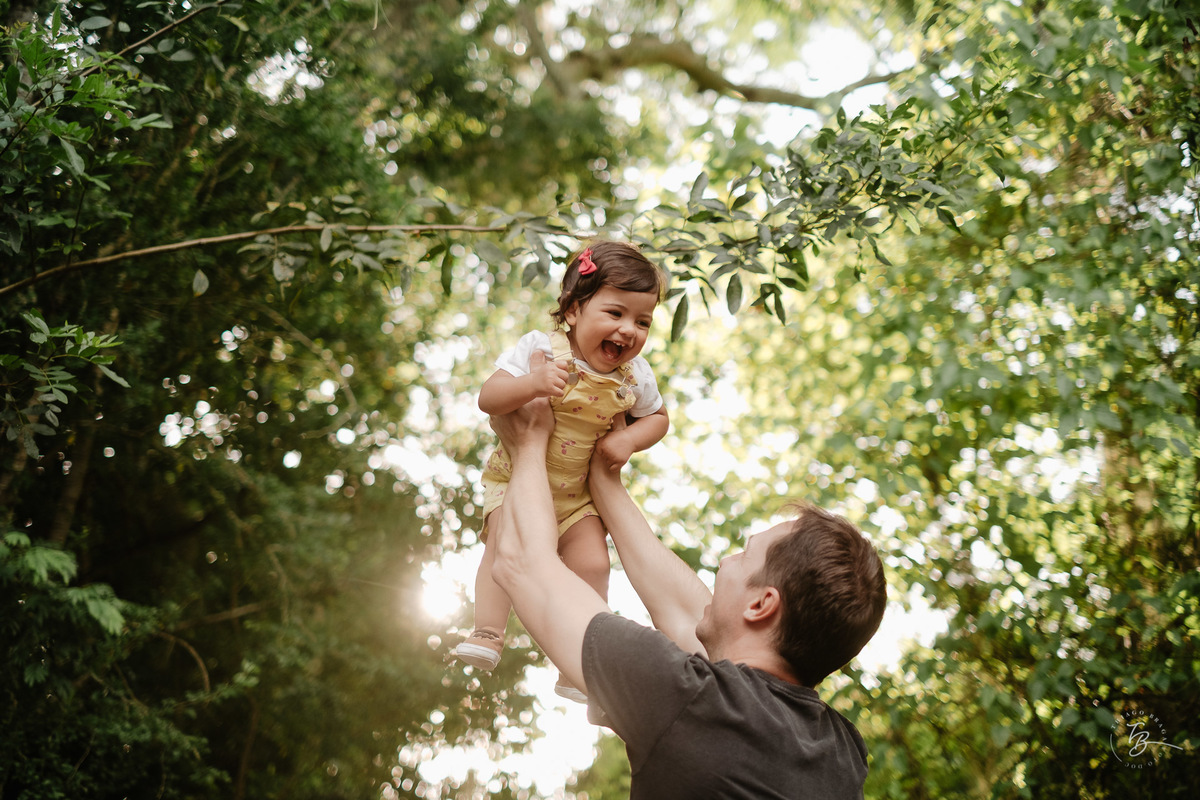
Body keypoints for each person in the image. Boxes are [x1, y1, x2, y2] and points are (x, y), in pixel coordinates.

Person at [486, 395, 888, 798]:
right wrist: (602, 478)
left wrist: (528, 443)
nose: (725, 564)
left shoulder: (690, 701)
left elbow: (521, 561)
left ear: (762, 604)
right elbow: (686, 613)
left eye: (744, 555)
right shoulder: (840, 752)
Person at [452, 241, 669, 701]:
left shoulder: (636, 376)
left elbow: (659, 418)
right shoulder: (540, 349)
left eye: (643, 321)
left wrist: (629, 438)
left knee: (594, 563)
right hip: (515, 482)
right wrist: (531, 384)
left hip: (576, 498)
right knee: (502, 550)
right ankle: (488, 632)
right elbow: (488, 398)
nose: (629, 330)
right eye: (615, 313)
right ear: (573, 311)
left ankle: (581, 663)